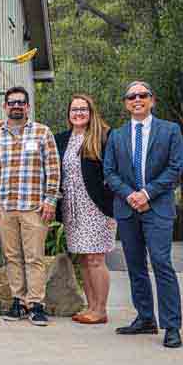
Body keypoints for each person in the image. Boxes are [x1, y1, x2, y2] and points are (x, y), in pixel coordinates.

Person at [104, 81, 183, 348]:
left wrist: (147, 194)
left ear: (152, 100)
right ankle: (145, 318)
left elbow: (175, 168)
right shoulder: (116, 136)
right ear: (126, 103)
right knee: (136, 266)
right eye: (131, 96)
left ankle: (171, 326)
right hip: (127, 210)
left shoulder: (170, 131)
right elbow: (110, 172)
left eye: (142, 95)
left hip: (158, 208)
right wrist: (130, 195)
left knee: (161, 263)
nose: (137, 99)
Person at [0, 86, 60, 326]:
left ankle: (36, 304)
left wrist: (50, 200)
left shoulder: (42, 133)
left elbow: (53, 169)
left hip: (34, 207)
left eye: (21, 102)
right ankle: (18, 301)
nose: (16, 106)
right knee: (12, 256)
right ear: (5, 107)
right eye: (12, 102)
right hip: (5, 207)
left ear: (27, 106)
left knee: (34, 257)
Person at [54, 94, 115, 325]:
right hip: (72, 206)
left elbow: (112, 173)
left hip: (96, 206)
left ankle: (100, 309)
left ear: (91, 112)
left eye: (83, 109)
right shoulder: (63, 139)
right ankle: (91, 307)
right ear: (68, 114)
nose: (78, 113)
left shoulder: (104, 137)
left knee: (96, 258)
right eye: (74, 109)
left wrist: (111, 205)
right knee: (83, 257)